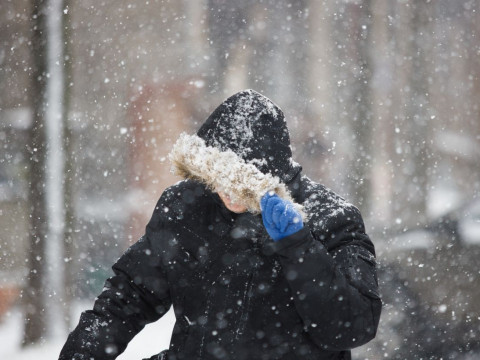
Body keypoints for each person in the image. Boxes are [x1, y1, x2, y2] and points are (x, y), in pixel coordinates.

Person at [59, 89, 381, 360]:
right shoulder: (186, 208)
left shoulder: (331, 219)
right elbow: (127, 296)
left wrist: (298, 246)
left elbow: (352, 326)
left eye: (243, 184)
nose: (229, 193)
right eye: (218, 177)